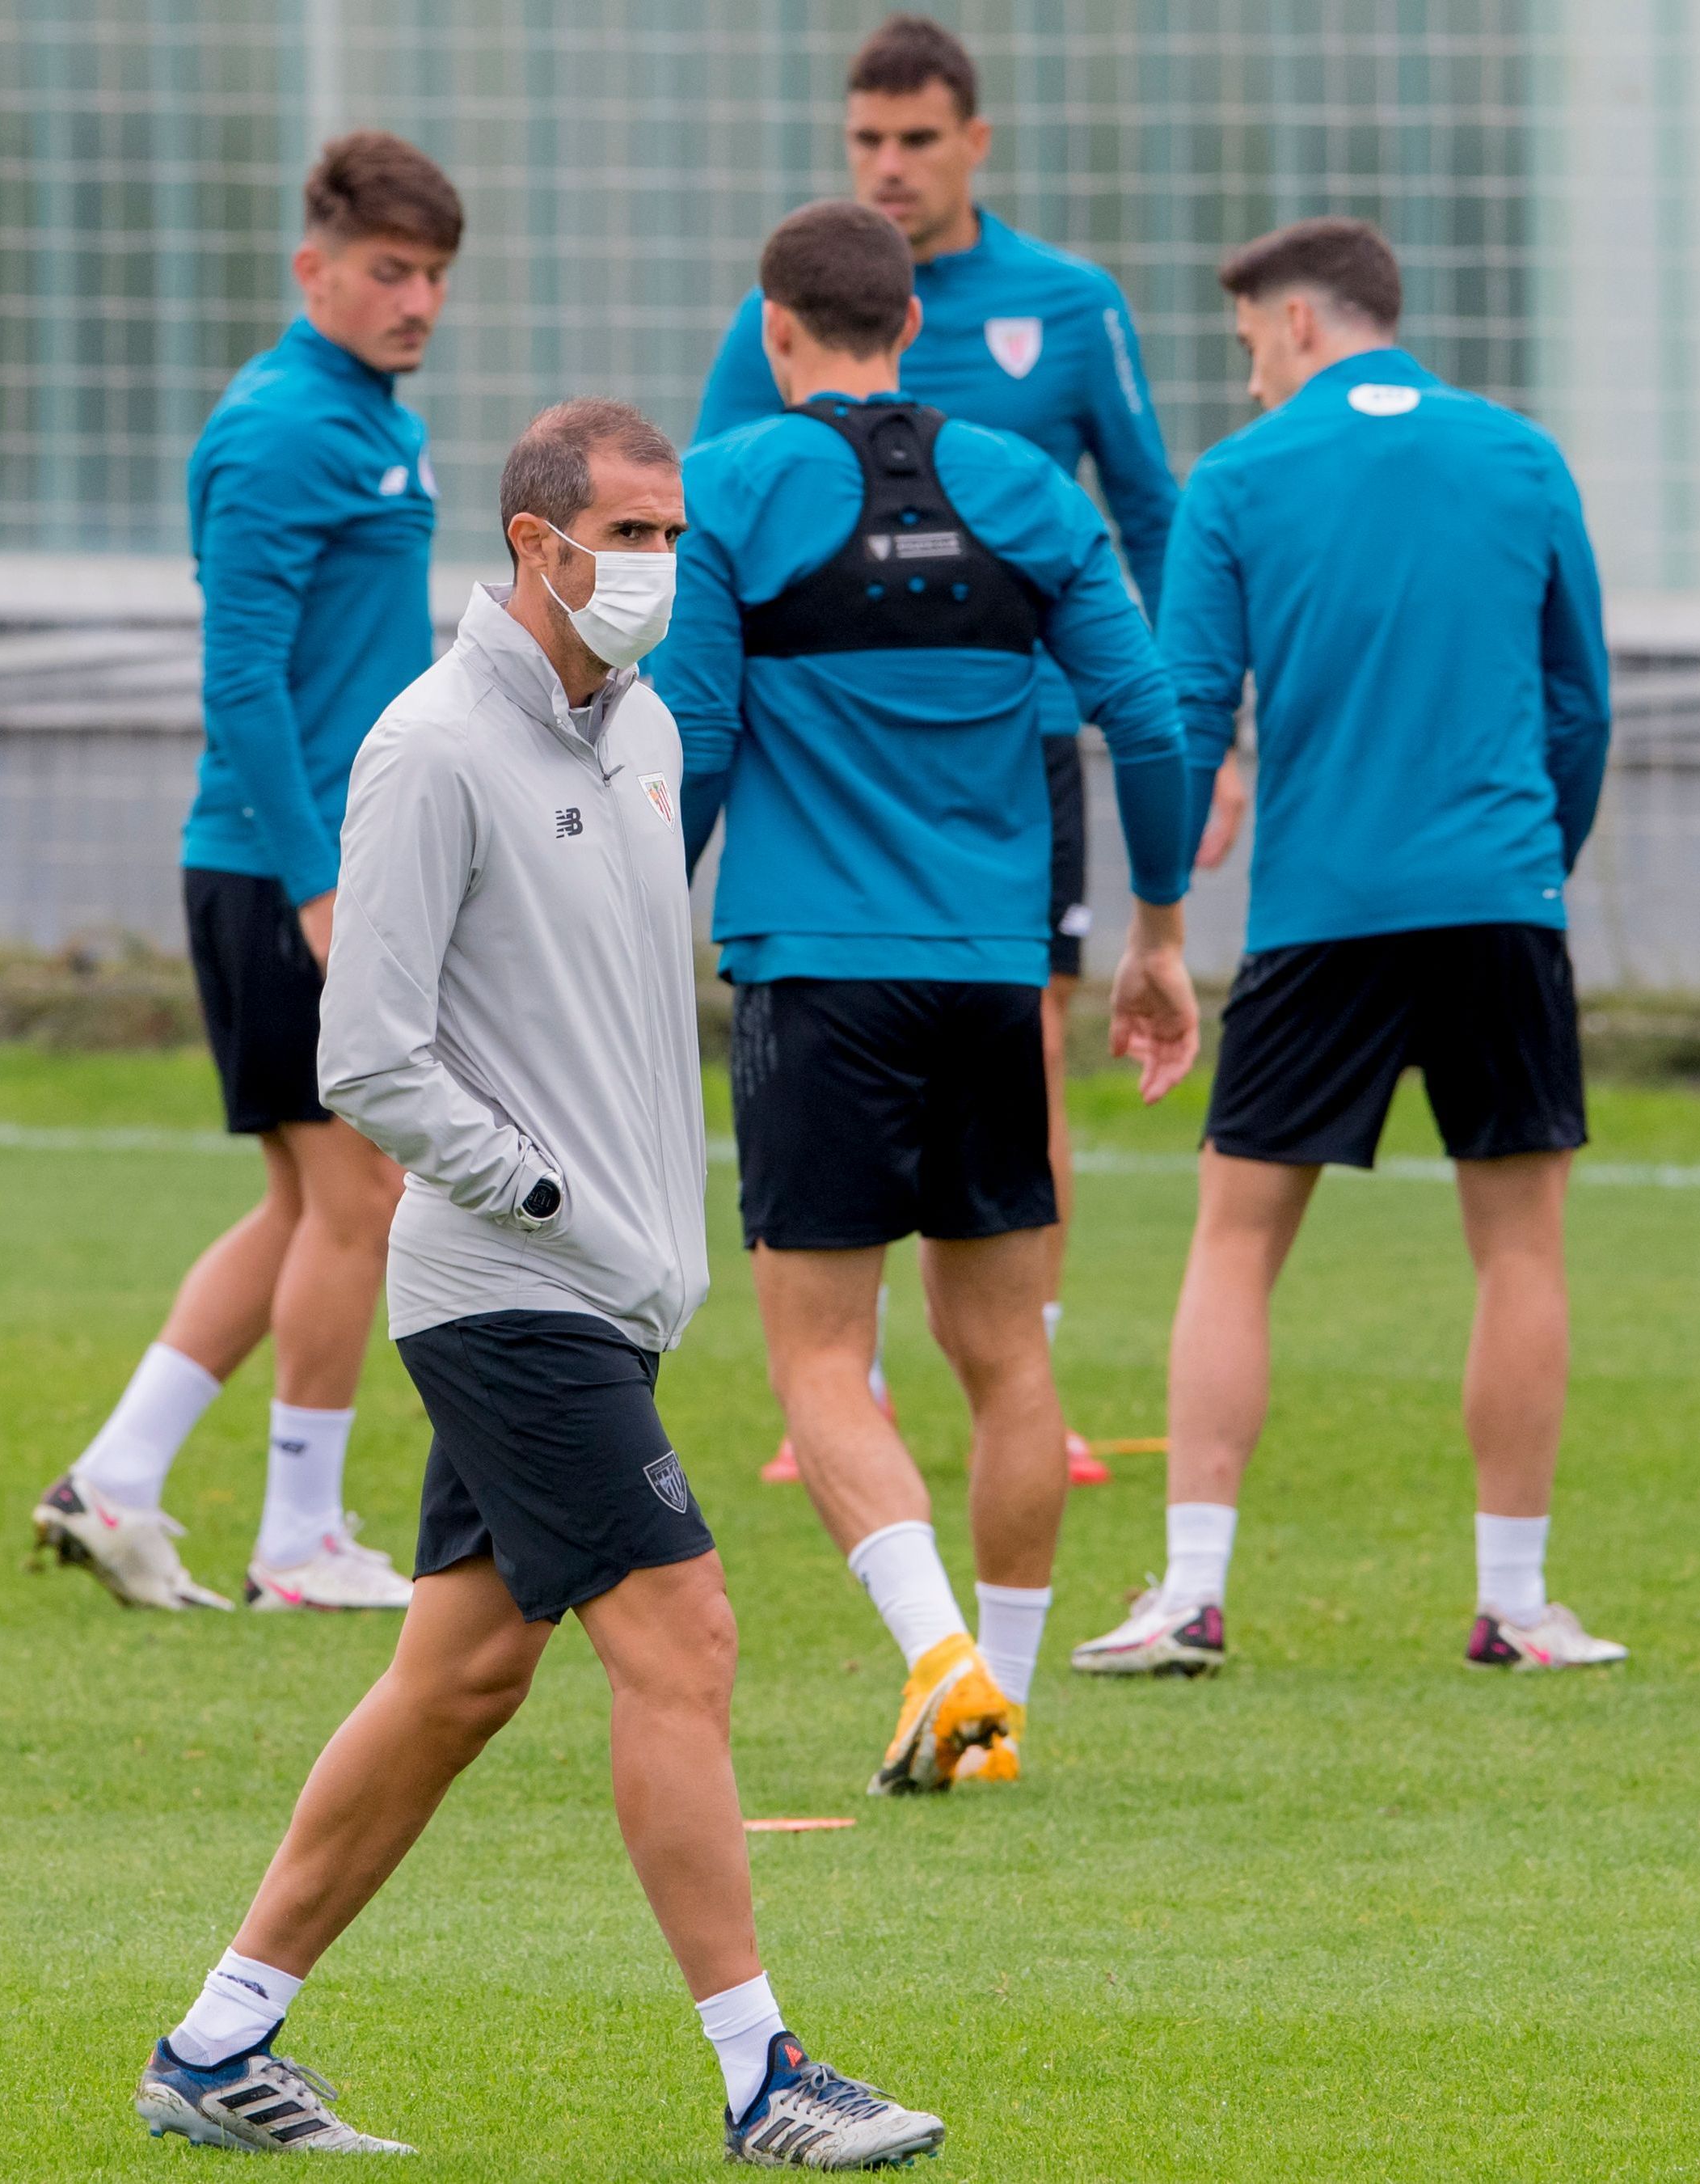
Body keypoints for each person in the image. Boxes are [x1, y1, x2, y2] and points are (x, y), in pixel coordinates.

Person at [133, 400, 947, 2170]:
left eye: (673, 537)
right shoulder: (429, 748)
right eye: (632, 533)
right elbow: (368, 1053)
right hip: (506, 1287)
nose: (658, 566)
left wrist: (647, 1227)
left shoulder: (644, 732)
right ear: (535, 543)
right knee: (687, 1638)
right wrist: (543, 1186)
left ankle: (216, 2042)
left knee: (459, 1678)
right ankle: (764, 2076)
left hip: (610, 1293)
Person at [658, 201, 1198, 1793]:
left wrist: (630, 935)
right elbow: (1150, 722)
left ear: (775, 332)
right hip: (988, 986)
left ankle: (938, 1658)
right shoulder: (1025, 490)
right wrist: (1158, 933)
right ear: (913, 327)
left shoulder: (736, 487)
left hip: (817, 983)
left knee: (823, 1360)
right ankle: (1002, 1702)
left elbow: (686, 745)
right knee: (1008, 1353)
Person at [1071, 218, 1625, 1678]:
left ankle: (1193, 1591)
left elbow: (1185, 707)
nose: (1246, 366)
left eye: (1249, 336)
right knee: (1519, 1244)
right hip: (1504, 900)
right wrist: (1527, 868)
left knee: (1238, 1240)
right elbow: (1583, 709)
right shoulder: (1523, 456)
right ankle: (1515, 1604)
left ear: (1303, 322)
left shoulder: (1239, 481)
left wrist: (1160, 920)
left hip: (1324, 912)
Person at [697, 15, 1185, 1489]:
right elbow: (717, 527)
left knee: (1025, 1042)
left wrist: (1206, 739)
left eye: (916, 139)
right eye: (868, 142)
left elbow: (1149, 514)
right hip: (859, 767)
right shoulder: (773, 312)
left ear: (975, 140)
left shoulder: (1071, 302)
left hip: (1014, 750)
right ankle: (892, 1391)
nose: (891, 164)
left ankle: (962, 1350)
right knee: (974, 1028)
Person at [32, 133, 462, 1616]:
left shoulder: (363, 417)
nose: (416, 300)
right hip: (292, 872)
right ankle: (300, 1536)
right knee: (360, 1195)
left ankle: (118, 1476)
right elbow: (244, 679)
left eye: (435, 276)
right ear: (315, 270)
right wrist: (321, 887)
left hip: (322, 863)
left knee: (303, 1200)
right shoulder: (284, 425)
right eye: (389, 271)